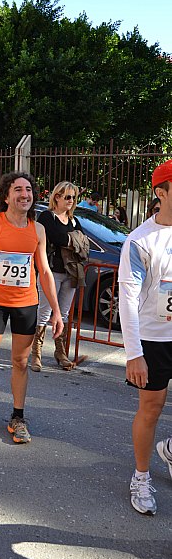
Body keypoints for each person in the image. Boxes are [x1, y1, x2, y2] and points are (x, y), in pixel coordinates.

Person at [0, 172, 63, 443]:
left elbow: (45, 272)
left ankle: (18, 416)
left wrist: (57, 312)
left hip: (26, 304)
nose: (24, 194)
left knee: (20, 362)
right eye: (18, 189)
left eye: (28, 190)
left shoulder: (37, 229)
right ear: (6, 196)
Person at [118, 159, 172, 516]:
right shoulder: (140, 241)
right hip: (154, 341)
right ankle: (141, 476)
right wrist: (134, 353)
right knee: (150, 410)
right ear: (161, 192)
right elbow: (128, 298)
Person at [31, 181, 88, 372]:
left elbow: (83, 241)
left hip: (70, 271)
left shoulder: (74, 220)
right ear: (57, 197)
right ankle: (36, 353)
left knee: (63, 314)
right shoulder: (48, 217)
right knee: (45, 311)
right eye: (68, 197)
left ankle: (60, 352)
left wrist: (70, 240)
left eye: (73, 197)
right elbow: (57, 238)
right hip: (51, 271)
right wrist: (73, 240)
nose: (71, 201)